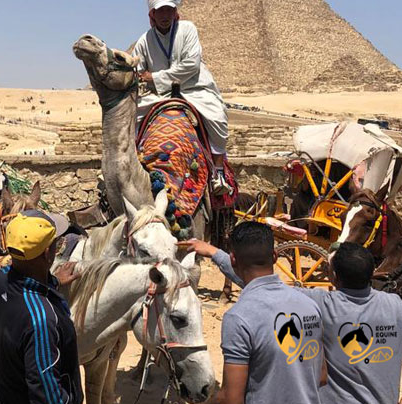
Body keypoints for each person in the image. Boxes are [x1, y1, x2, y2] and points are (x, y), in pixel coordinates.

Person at [298, 243, 402, 404]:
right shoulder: (395, 306)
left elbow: (275, 290)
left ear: (334, 276)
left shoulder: (320, 303)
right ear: (372, 273)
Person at [214, 222, 323, 404]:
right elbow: (321, 376)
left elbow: (231, 398)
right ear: (274, 256)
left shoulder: (238, 317)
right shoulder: (310, 306)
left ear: (233, 260)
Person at [132, 0, 231, 193]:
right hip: (160, 94)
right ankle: (130, 164)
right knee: (129, 117)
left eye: (169, 10)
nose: (165, 15)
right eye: (161, 11)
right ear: (152, 14)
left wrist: (153, 77)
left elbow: (191, 66)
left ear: (175, 11)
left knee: (217, 116)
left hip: (194, 88)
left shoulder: (187, 29)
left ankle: (218, 173)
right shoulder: (145, 40)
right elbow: (136, 68)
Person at [0, 210, 83, 404]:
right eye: (56, 242)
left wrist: (53, 282)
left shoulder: (0, 280)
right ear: (48, 253)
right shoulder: (41, 321)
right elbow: (47, 395)